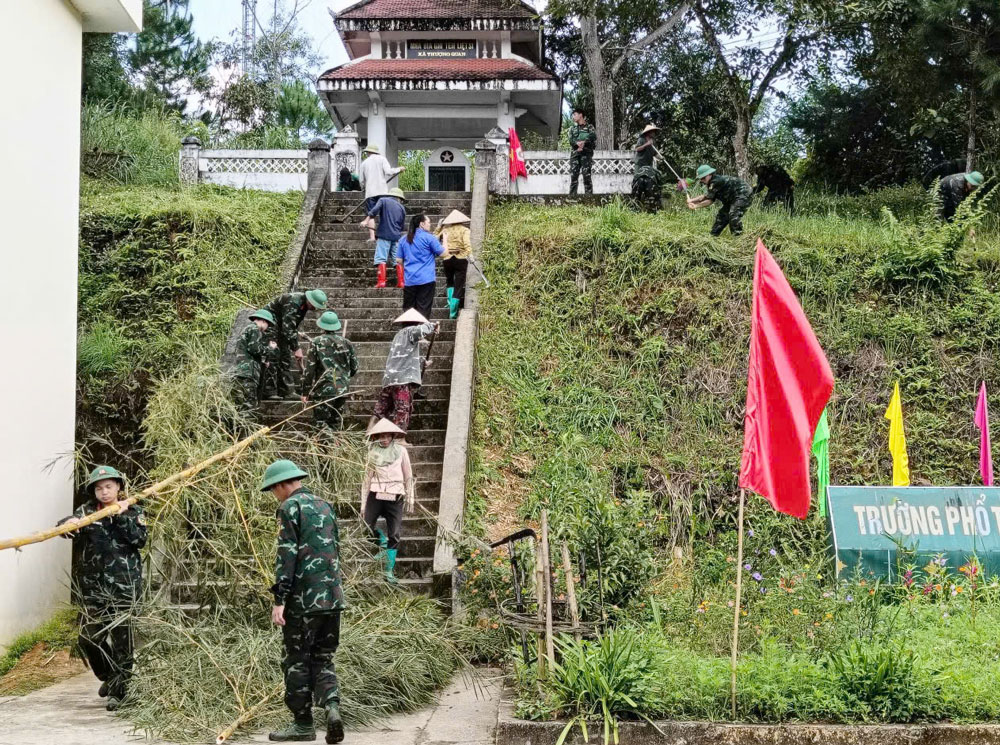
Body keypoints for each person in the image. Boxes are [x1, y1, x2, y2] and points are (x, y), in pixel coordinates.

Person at [263, 459, 346, 744]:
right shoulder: (325, 505)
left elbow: (286, 556)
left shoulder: (289, 508)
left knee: (297, 660)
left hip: (303, 601)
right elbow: (335, 548)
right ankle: (332, 707)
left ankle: (303, 724)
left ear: (282, 485)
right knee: (323, 658)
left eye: (273, 490)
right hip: (332, 598)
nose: (275, 495)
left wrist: (279, 599)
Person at [57, 466, 147, 712]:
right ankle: (109, 676)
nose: (104, 492)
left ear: (118, 487)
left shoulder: (133, 510)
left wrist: (119, 515)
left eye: (109, 486)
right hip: (93, 588)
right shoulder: (86, 512)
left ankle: (120, 692)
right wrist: (70, 523)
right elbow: (64, 528)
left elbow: (140, 540)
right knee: (88, 637)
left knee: (122, 642)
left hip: (124, 587)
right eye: (99, 488)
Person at [360, 418, 414, 583]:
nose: (383, 439)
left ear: (392, 436)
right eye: (380, 436)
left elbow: (408, 475)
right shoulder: (371, 452)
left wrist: (410, 497)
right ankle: (380, 540)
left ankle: (388, 571)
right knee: (366, 527)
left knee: (395, 533)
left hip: (395, 495)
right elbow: (366, 480)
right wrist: (363, 504)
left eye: (386, 436)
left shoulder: (401, 451)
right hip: (375, 495)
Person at [372, 309, 439, 434]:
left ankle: (368, 434)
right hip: (402, 381)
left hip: (390, 379)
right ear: (416, 323)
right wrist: (433, 325)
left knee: (380, 410)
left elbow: (403, 358)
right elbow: (420, 330)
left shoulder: (398, 335)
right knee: (402, 410)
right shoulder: (411, 331)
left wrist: (421, 362)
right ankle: (399, 438)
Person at [262, 289, 328, 400]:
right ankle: (269, 391)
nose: (315, 309)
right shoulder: (294, 301)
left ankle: (287, 391)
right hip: (270, 325)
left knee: (285, 357)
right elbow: (288, 328)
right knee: (273, 355)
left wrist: (294, 343)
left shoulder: (304, 305)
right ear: (310, 301)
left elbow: (291, 326)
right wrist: (296, 348)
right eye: (314, 306)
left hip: (282, 328)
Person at [301, 311, 358, 430]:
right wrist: (344, 378)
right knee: (336, 423)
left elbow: (309, 369)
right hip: (342, 389)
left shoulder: (316, 342)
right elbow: (354, 367)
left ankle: (327, 445)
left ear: (321, 325)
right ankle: (335, 446)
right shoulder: (347, 343)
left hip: (324, 389)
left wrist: (305, 391)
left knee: (320, 423)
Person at [397, 214, 444, 320]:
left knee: (409, 311)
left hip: (409, 280)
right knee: (423, 309)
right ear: (422, 224)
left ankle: (408, 334)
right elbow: (443, 253)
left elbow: (398, 260)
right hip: (426, 279)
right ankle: (421, 335)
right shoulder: (429, 238)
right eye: (428, 222)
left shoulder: (403, 239)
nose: (430, 225)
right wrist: (445, 240)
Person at [687, 164, 752, 236]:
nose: (702, 180)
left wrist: (696, 206)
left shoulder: (716, 181)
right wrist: (691, 201)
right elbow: (707, 197)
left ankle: (738, 238)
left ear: (709, 175)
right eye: (700, 178)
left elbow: (709, 201)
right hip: (731, 198)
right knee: (722, 216)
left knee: (733, 215)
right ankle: (712, 237)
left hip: (743, 193)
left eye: (703, 178)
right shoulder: (711, 183)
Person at [232, 309, 278, 413]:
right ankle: (248, 428)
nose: (266, 329)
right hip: (248, 373)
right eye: (268, 325)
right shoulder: (254, 329)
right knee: (249, 406)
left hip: (242, 371)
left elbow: (247, 352)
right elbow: (254, 349)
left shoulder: (247, 329)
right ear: (263, 321)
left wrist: (261, 363)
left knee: (242, 405)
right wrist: (270, 348)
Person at [362, 187, 407, 289]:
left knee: (381, 258)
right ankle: (401, 282)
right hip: (396, 237)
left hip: (384, 235)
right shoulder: (401, 208)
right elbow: (402, 226)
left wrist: (365, 221)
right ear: (399, 198)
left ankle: (382, 282)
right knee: (397, 260)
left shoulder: (383, 200)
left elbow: (373, 212)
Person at [359, 144, 404, 241]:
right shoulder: (382, 159)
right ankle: (384, 234)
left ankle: (372, 237)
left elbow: (361, 180)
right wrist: (399, 169)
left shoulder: (364, 163)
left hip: (370, 192)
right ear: (376, 152)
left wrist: (364, 188)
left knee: (371, 214)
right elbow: (389, 172)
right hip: (382, 191)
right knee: (384, 213)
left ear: (368, 152)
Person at [436, 209, 472, 319]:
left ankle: (450, 302)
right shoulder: (465, 230)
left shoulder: (445, 230)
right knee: (459, 285)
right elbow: (467, 243)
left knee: (450, 281)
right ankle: (453, 312)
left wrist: (439, 227)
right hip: (461, 258)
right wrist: (470, 254)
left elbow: (434, 238)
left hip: (447, 258)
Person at [632, 124, 663, 212]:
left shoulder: (653, 142)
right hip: (640, 165)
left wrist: (661, 157)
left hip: (648, 167)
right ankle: (635, 205)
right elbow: (637, 149)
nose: (654, 133)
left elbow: (655, 153)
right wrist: (646, 144)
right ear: (649, 132)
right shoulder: (641, 139)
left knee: (649, 183)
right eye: (653, 131)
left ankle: (651, 206)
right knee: (638, 181)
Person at [568, 108, 597, 195]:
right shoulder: (572, 128)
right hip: (575, 155)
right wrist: (578, 144)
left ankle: (589, 198)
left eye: (574, 114)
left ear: (580, 115)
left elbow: (593, 136)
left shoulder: (590, 127)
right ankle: (572, 198)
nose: (573, 117)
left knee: (587, 177)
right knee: (573, 178)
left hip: (586, 155)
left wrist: (584, 142)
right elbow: (571, 140)